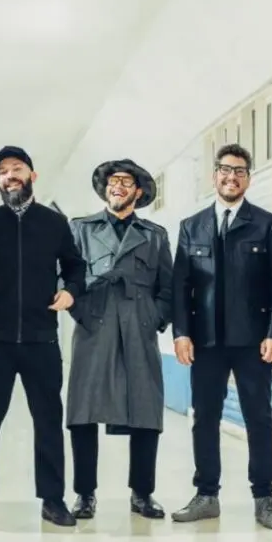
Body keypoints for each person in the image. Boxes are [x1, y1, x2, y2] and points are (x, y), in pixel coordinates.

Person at [0, 146, 85, 527]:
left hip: (42, 340)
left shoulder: (55, 224)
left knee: (48, 422)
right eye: (3, 172)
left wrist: (71, 291)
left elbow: (75, 266)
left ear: (32, 176)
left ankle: (53, 499)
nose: (10, 176)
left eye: (17, 169)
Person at [169, 143, 272, 529]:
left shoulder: (267, 225)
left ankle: (264, 498)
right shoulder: (192, 226)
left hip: (254, 341)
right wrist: (181, 334)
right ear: (214, 175)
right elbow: (180, 286)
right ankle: (206, 495)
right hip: (205, 343)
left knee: (259, 418)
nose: (231, 177)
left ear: (248, 179)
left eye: (239, 171)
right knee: (204, 418)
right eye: (225, 169)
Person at [64, 159, 171, 520]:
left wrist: (153, 318)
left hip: (139, 329)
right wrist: (81, 311)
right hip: (93, 328)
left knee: (145, 410)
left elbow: (167, 287)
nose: (118, 186)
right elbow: (65, 278)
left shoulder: (155, 235)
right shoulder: (80, 229)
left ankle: (142, 493)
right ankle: (84, 494)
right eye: (112, 181)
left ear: (138, 192)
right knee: (83, 411)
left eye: (126, 181)